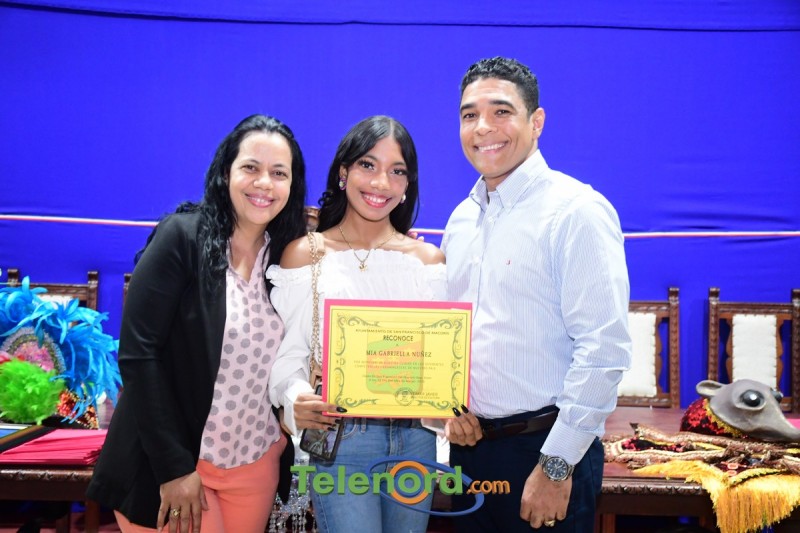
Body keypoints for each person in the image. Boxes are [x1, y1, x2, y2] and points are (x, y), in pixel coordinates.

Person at [86, 114, 308, 533]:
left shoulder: (286, 258)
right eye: (251, 167)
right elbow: (138, 354)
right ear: (226, 173)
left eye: (279, 173)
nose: (264, 183)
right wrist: (173, 468)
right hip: (176, 466)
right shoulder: (182, 237)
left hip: (255, 464)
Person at [441, 57, 632, 531]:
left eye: (501, 111)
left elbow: (604, 350)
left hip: (546, 452)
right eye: (469, 115)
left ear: (537, 121)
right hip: (472, 452)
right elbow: (458, 334)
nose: (483, 127)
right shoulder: (461, 220)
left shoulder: (576, 211)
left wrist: (556, 465)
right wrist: (452, 408)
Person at [267, 115, 445, 533]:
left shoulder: (428, 262)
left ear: (408, 185)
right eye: (368, 165)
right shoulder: (305, 255)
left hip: (417, 438)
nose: (381, 182)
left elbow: (440, 363)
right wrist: (297, 398)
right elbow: (286, 359)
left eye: (397, 171)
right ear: (343, 172)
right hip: (340, 436)